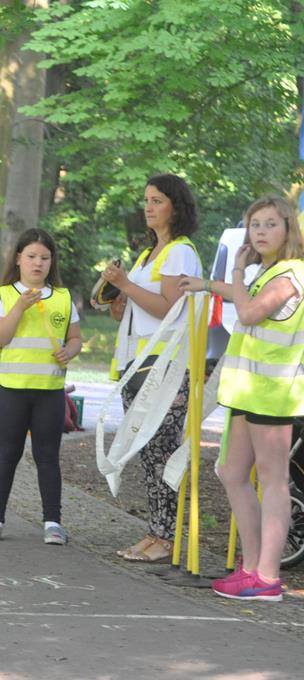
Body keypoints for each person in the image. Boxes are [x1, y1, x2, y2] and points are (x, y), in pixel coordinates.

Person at [179, 196, 304, 601]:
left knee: (273, 480)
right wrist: (207, 285)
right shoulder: (269, 272)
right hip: (247, 391)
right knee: (232, 473)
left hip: (272, 394)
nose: (261, 232)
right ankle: (250, 568)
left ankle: (267, 577)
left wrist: (235, 267)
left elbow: (249, 311)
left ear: (288, 229)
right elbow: (244, 296)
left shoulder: (292, 273)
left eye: (270, 224)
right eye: (255, 225)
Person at [101, 173, 202, 563]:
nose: (148, 207)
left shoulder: (179, 252)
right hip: (140, 363)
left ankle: (167, 538)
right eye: (146, 200)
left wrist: (126, 285)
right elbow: (140, 308)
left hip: (166, 364)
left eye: (157, 200)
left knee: (161, 451)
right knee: (148, 452)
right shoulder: (148, 254)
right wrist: (118, 300)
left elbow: (168, 308)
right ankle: (155, 532)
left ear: (176, 207)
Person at [0, 228, 83, 545]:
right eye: (32, 256)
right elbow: (0, 337)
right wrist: (20, 307)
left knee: (47, 456)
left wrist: (70, 351)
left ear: (52, 262)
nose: (38, 263)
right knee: (6, 455)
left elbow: (75, 338)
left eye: (45, 258)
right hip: (12, 389)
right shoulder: (4, 295)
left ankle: (53, 523)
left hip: (49, 391)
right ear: (18, 259)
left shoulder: (63, 297)